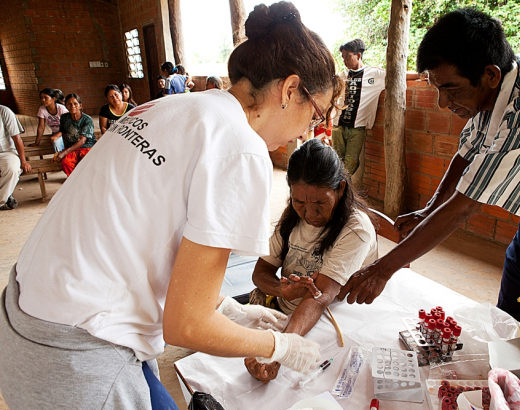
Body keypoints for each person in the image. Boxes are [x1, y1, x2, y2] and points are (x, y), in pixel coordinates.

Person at [0, 2, 342, 408]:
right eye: (316, 114)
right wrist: (279, 346)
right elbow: (186, 326)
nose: (309, 131)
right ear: (289, 90)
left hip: (24, 313)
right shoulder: (241, 147)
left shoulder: (168, 107)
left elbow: (137, 230)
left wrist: (229, 309)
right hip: (77, 355)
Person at [338, 8, 520, 323]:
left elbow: (464, 207)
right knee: (508, 323)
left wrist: (381, 270)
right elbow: (466, 155)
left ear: (489, 75)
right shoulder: (498, 88)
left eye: (449, 88)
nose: (442, 103)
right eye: (436, 88)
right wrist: (428, 210)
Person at [244, 138, 378, 383]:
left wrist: (281, 349)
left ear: (341, 188)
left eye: (319, 202)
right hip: (286, 314)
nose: (309, 214)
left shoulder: (356, 229)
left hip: (327, 321)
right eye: (299, 202)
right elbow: (260, 273)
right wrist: (281, 290)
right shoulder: (292, 218)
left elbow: (319, 299)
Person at [332, 39, 385, 175]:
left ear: (358, 55)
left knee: (351, 163)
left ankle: (341, 188)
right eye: (343, 58)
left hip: (357, 128)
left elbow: (397, 75)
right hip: (338, 126)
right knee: (336, 162)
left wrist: (422, 75)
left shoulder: (375, 74)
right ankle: (339, 189)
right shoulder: (343, 75)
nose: (345, 61)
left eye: (348, 57)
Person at [56, 93, 96, 176]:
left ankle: (85, 182)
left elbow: (82, 140)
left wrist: (65, 152)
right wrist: (65, 149)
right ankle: (74, 182)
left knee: (87, 163)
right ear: (66, 106)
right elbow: (64, 134)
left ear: (80, 106)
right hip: (72, 148)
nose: (72, 106)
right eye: (69, 104)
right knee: (66, 163)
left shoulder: (87, 119)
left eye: (75, 103)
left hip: (86, 147)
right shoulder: (64, 118)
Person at [0, 105, 30, 211]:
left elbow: (17, 139)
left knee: (12, 170)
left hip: (6, 152)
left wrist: (23, 161)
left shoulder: (4, 111)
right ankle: (7, 196)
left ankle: (2, 200)